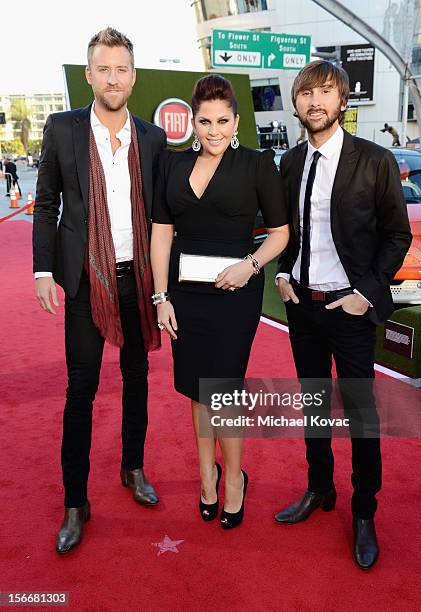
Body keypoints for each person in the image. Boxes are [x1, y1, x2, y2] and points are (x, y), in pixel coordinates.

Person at [32, 27, 166, 554]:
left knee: (137, 378)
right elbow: (46, 204)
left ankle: (132, 468)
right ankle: (75, 502)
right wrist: (44, 270)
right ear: (89, 75)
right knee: (80, 390)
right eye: (103, 69)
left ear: (134, 76)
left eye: (121, 69)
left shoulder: (152, 138)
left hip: (137, 280)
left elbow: (162, 216)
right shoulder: (62, 129)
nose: (113, 78)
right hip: (86, 279)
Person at [274, 60, 412, 569]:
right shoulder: (288, 163)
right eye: (306, 93)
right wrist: (283, 274)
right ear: (297, 103)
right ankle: (319, 489)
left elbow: (398, 235)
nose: (315, 101)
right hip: (302, 308)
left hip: (350, 311)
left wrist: (367, 293)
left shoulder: (374, 161)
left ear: (343, 101)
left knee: (360, 416)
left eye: (325, 92)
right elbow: (283, 230)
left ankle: (363, 511)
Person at [151, 75, 289, 530]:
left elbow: (280, 233)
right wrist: (161, 297)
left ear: (236, 120)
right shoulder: (171, 167)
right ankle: (206, 477)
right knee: (197, 390)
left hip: (235, 296)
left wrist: (250, 265)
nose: (214, 131)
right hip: (184, 297)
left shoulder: (256, 165)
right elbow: (162, 234)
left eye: (223, 121)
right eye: (205, 121)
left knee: (224, 392)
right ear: (192, 120)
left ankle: (234, 481)